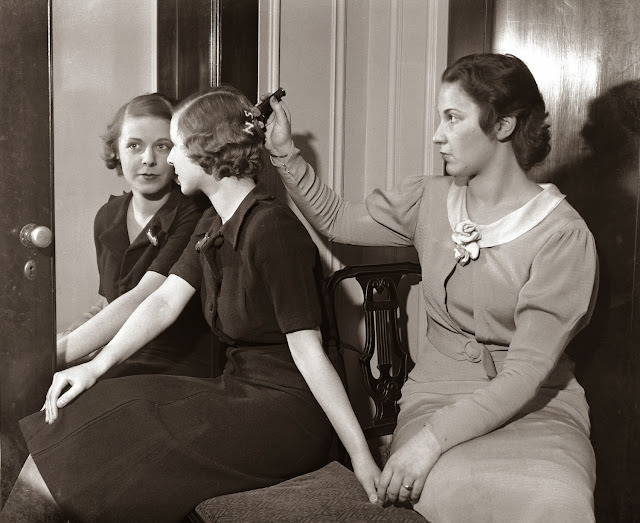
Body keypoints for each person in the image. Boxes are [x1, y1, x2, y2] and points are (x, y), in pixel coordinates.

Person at [2, 85, 380, 523]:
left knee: (124, 433)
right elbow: (163, 300)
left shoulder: (274, 229)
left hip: (288, 416)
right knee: (93, 407)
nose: (170, 160)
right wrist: (92, 367)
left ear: (206, 149)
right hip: (239, 391)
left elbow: (309, 352)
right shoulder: (214, 220)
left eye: (176, 146)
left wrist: (360, 455)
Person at [264, 53, 599, 522]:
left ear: (502, 126)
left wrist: (430, 442)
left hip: (539, 405)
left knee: (557, 501)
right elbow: (337, 219)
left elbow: (525, 374)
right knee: (443, 491)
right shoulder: (430, 198)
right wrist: (284, 151)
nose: (438, 134)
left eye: (453, 118)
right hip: (438, 394)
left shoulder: (563, 235)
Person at [56, 92, 212, 378]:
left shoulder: (194, 212)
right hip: (120, 351)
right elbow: (109, 301)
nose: (148, 159)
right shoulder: (107, 216)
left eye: (163, 146)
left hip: (178, 360)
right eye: (134, 146)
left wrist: (57, 354)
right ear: (117, 150)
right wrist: (62, 340)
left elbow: (144, 297)